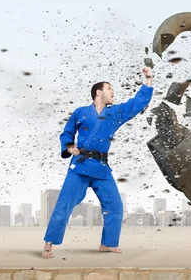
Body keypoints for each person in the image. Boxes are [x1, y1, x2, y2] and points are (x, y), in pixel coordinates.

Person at [41, 66, 154, 258]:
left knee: (115, 206)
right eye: (109, 88)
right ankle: (48, 244)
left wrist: (148, 80)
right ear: (98, 92)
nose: (113, 92)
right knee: (65, 204)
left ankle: (107, 243)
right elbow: (67, 133)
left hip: (101, 169)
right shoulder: (80, 112)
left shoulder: (115, 113)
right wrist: (69, 148)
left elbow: (137, 103)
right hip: (81, 166)